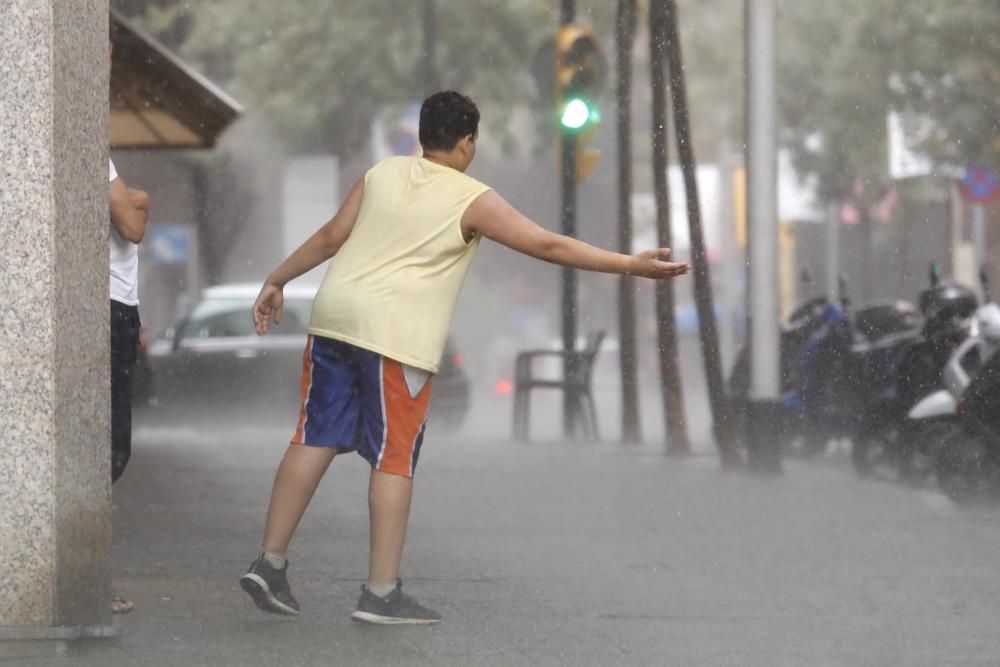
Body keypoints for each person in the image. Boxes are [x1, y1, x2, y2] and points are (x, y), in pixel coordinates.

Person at [240, 91, 688, 625]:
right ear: (467, 141)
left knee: (313, 436)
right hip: (395, 335)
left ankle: (269, 562)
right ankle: (380, 593)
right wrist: (629, 265)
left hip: (334, 318)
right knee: (393, 457)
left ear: (424, 133)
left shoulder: (380, 174)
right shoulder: (471, 197)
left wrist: (277, 278)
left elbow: (332, 236)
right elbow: (547, 246)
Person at [108, 157, 150, 614]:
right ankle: (86, 579)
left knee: (109, 450)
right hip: (112, 308)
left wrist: (129, 202)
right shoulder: (97, 157)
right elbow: (134, 224)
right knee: (111, 449)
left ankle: (87, 578)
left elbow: (138, 204)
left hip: (119, 308)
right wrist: (127, 202)